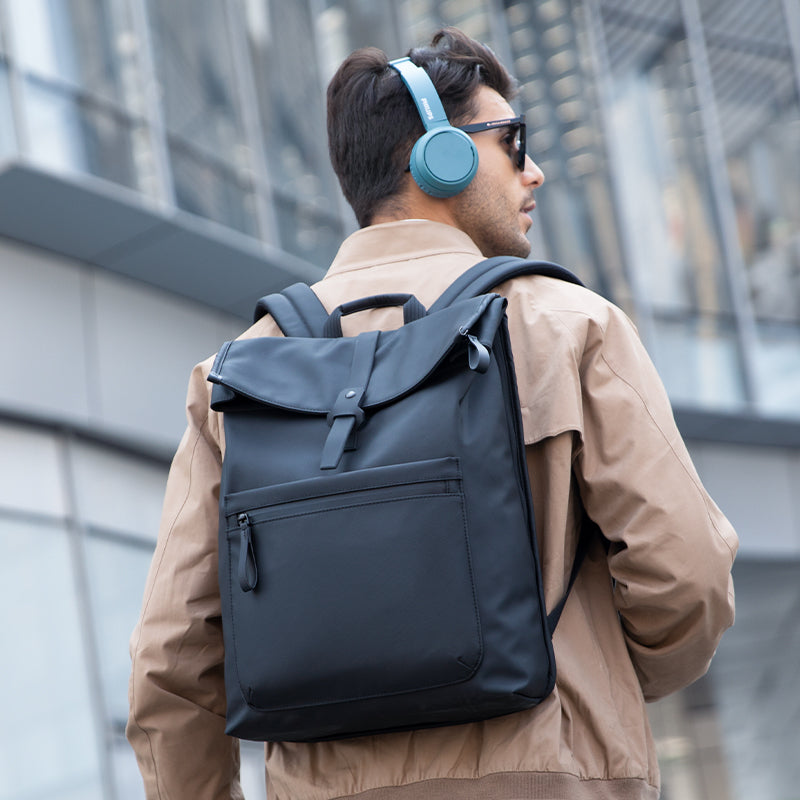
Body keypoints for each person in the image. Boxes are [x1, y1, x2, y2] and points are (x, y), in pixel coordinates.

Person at [127, 27, 737, 800]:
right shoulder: (567, 325)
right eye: (512, 141)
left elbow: (171, 656)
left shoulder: (237, 371)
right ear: (438, 155)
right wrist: (598, 683)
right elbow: (686, 573)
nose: (535, 170)